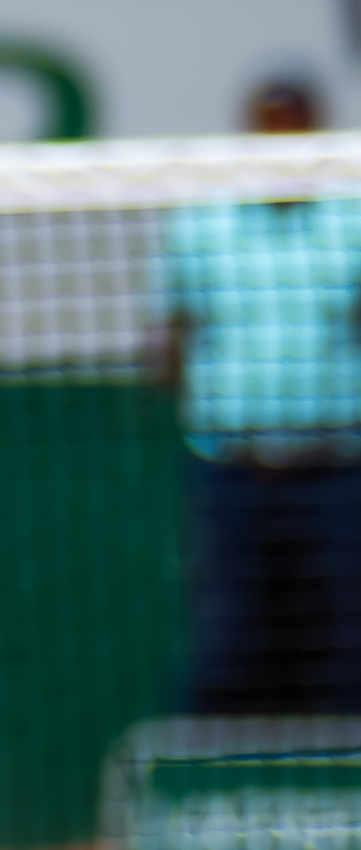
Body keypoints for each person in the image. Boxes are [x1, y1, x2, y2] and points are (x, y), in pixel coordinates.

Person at [150, 78, 361, 717]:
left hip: (337, 470)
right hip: (231, 472)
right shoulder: (203, 220)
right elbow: (172, 340)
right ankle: (213, 795)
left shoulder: (352, 217)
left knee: (348, 642)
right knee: (228, 640)